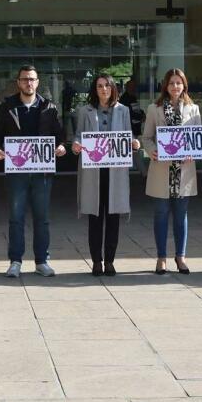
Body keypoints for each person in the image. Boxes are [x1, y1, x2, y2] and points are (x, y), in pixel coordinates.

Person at [0, 65, 67, 278]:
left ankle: (42, 261)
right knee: (16, 218)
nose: (29, 83)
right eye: (25, 79)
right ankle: (15, 261)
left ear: (38, 82)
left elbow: (60, 135)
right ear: (18, 82)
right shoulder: (7, 107)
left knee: (42, 218)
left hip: (42, 173)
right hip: (17, 173)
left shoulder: (49, 107)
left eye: (32, 79)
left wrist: (61, 147)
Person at [73, 74, 139, 276]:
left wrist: (134, 144)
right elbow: (78, 135)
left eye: (107, 86)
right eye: (100, 86)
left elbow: (129, 136)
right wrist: (76, 145)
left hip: (115, 171)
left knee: (113, 217)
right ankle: (96, 261)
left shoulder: (123, 111)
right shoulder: (85, 111)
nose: (104, 90)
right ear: (95, 89)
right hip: (93, 171)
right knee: (95, 216)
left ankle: (110, 260)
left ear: (113, 89)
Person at [141, 68, 201, 275]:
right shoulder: (154, 109)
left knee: (181, 215)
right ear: (165, 86)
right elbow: (146, 137)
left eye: (179, 82)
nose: (175, 86)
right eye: (171, 83)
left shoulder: (193, 109)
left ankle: (181, 256)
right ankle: (161, 257)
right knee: (161, 214)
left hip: (183, 172)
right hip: (161, 169)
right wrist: (152, 151)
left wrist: (193, 151)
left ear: (184, 85)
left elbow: (197, 139)